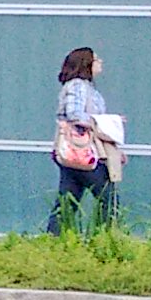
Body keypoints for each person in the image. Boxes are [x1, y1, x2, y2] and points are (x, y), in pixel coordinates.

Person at [52, 45, 123, 232]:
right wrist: (107, 122)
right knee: (107, 197)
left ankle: (54, 238)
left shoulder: (85, 87)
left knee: (68, 200)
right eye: (96, 59)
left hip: (73, 151)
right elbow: (74, 114)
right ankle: (104, 236)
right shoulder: (78, 86)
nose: (100, 62)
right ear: (86, 63)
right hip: (83, 149)